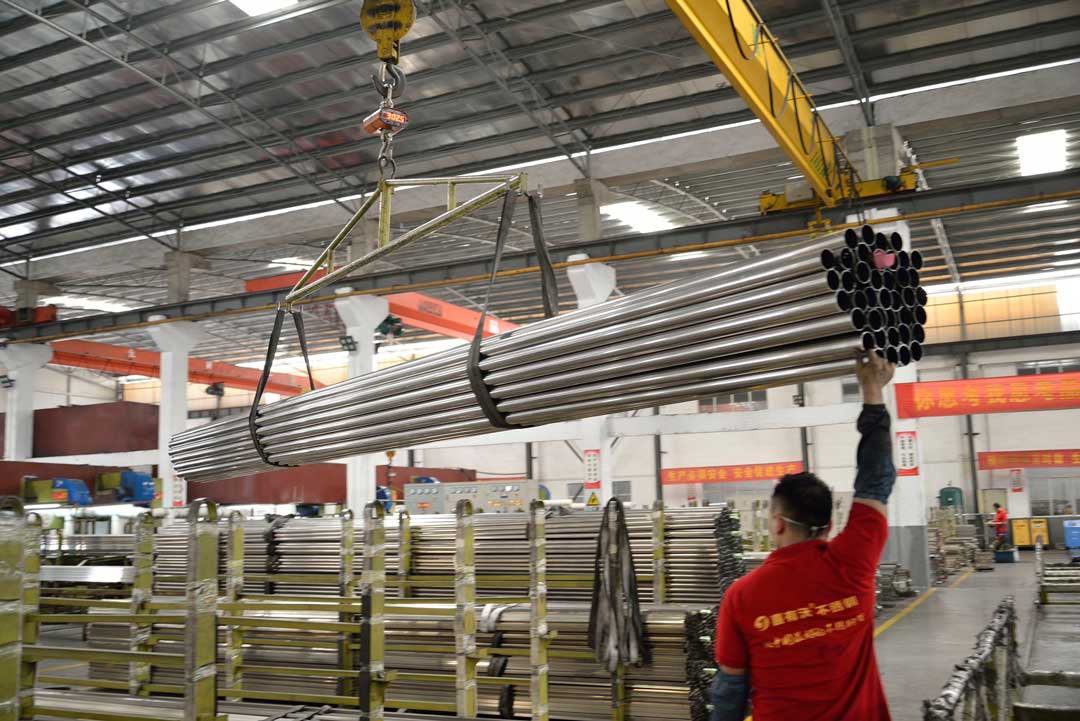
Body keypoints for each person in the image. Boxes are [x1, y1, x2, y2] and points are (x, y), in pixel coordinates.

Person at [710, 349, 897, 721]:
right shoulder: (853, 563)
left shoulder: (741, 597)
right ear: (828, 526)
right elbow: (875, 481)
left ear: (777, 523)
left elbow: (730, 691)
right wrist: (873, 392)